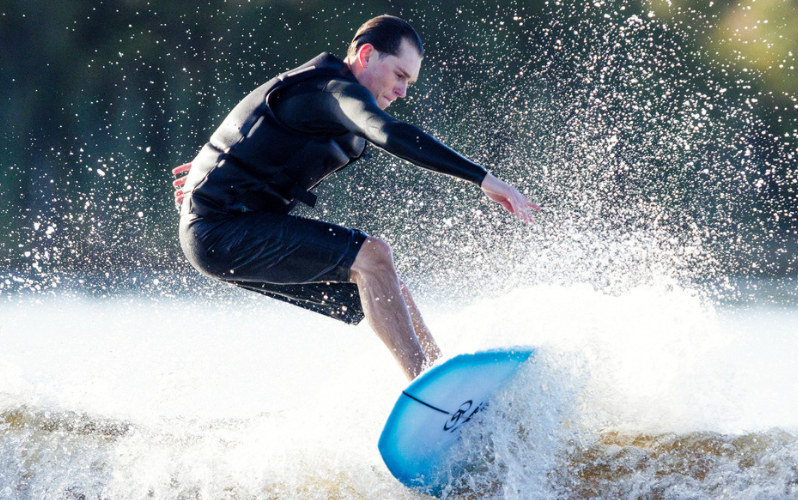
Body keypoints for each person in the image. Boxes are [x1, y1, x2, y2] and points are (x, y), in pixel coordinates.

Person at [171, 15, 538, 380]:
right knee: (373, 257)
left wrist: (215, 169)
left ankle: (442, 376)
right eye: (399, 75)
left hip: (231, 227)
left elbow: (261, 137)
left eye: (409, 82)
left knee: (385, 279)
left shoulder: (337, 102)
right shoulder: (329, 89)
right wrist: (482, 178)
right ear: (366, 54)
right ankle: (426, 383)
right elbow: (388, 131)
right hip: (218, 229)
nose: (403, 92)